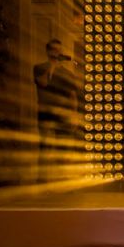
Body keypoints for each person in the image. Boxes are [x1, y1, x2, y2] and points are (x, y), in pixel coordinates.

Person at [33, 39, 78, 183]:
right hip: (46, 113)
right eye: (53, 49)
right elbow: (42, 82)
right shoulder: (39, 68)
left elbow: (72, 96)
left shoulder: (67, 73)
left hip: (63, 114)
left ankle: (61, 180)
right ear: (47, 51)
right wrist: (51, 67)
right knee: (45, 146)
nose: (56, 53)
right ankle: (42, 180)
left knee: (62, 148)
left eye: (58, 50)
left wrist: (74, 114)